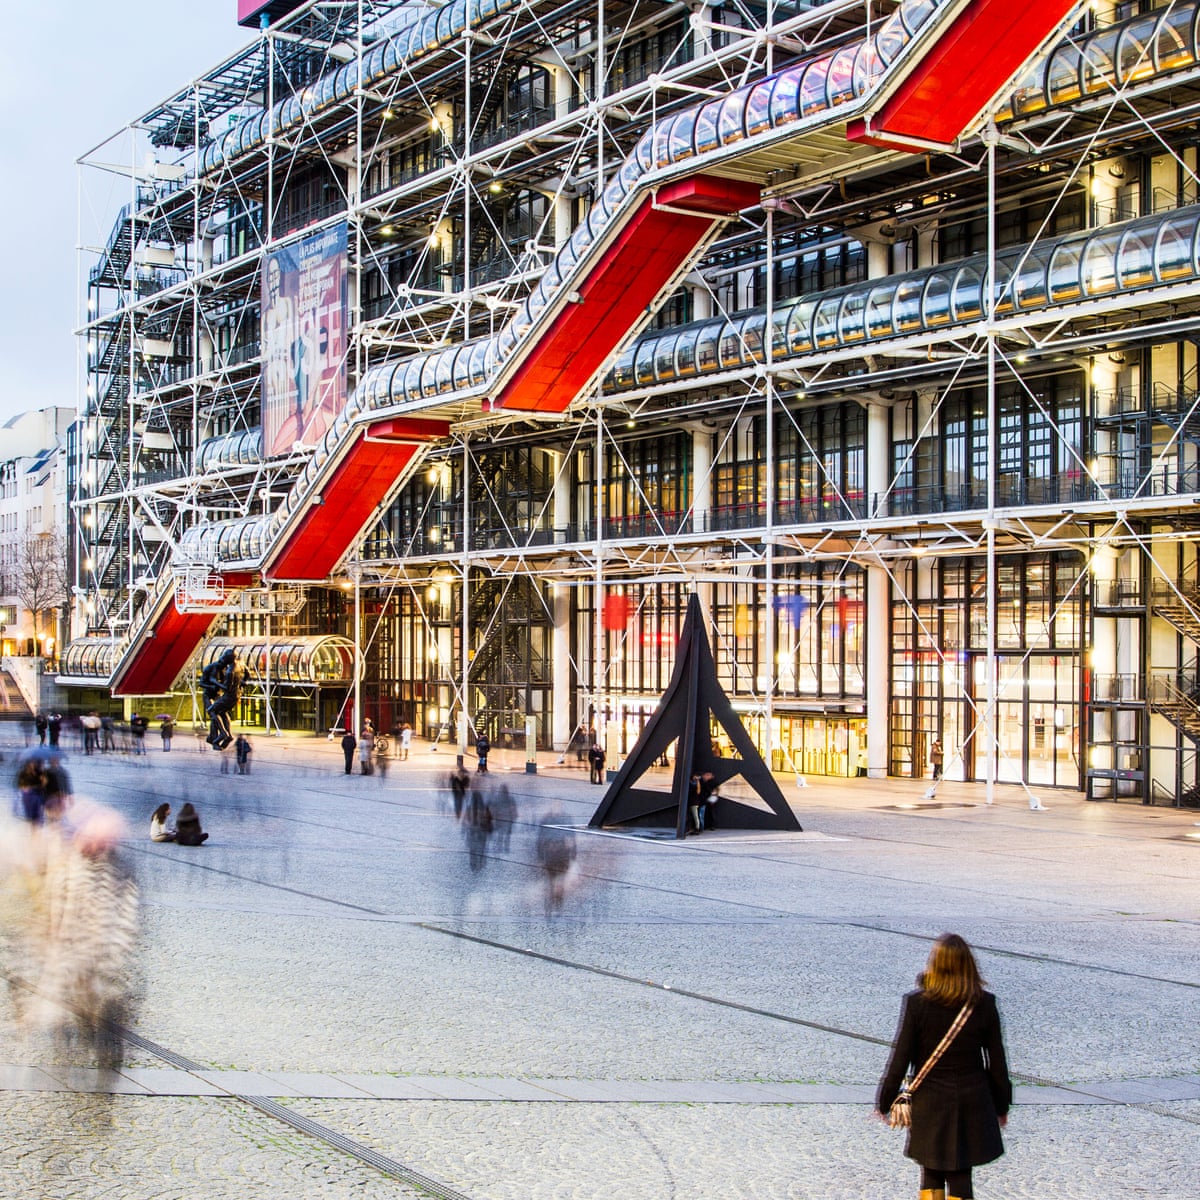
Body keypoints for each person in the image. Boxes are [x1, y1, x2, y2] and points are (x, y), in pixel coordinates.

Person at [877, 934, 1012, 1200]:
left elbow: (900, 1058)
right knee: (962, 1171)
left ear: (935, 964)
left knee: (931, 1169)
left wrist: (885, 1102)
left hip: (930, 1100)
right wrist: (1001, 1106)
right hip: (972, 1099)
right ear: (969, 965)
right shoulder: (984, 1004)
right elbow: (997, 1063)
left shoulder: (918, 1003)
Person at [536, 812, 576, 913]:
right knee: (551, 883)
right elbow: (540, 839)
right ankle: (552, 906)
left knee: (558, 883)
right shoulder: (549, 818)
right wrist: (541, 856)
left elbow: (572, 838)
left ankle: (556, 906)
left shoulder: (562, 818)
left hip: (560, 856)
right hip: (553, 857)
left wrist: (573, 854)